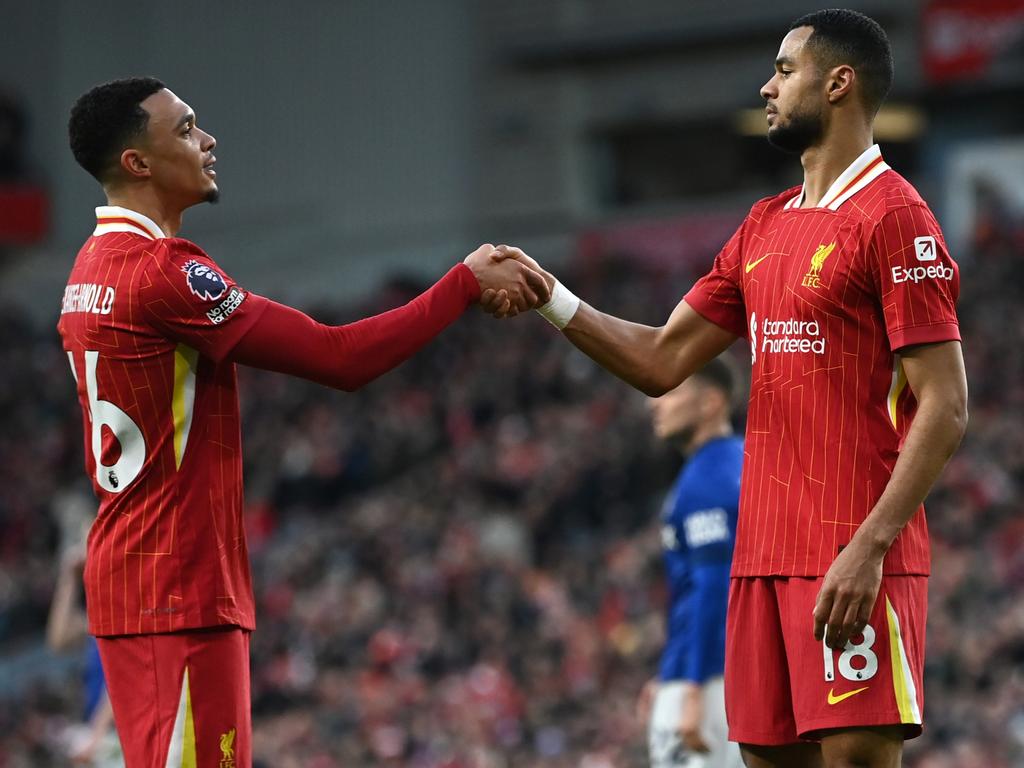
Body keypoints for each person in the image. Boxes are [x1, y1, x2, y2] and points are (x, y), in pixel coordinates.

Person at [493, 9, 968, 767]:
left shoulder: (897, 217)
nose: (767, 86)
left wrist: (870, 545)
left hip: (847, 549)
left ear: (838, 83)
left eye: (784, 70)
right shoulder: (762, 224)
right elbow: (660, 359)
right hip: (760, 559)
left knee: (853, 760)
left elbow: (946, 404)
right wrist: (553, 297)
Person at [58, 77, 548, 768]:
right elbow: (339, 357)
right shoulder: (163, 273)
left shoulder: (89, 267)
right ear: (137, 162)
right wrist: (463, 283)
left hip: (136, 579)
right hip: (181, 588)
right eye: (187, 128)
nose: (208, 140)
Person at [639, 358, 744, 768]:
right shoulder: (740, 462)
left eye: (671, 392)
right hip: (726, 670)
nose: (655, 404)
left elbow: (714, 588)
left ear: (711, 403)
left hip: (710, 680)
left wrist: (691, 686)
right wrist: (669, 672)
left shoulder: (708, 480)